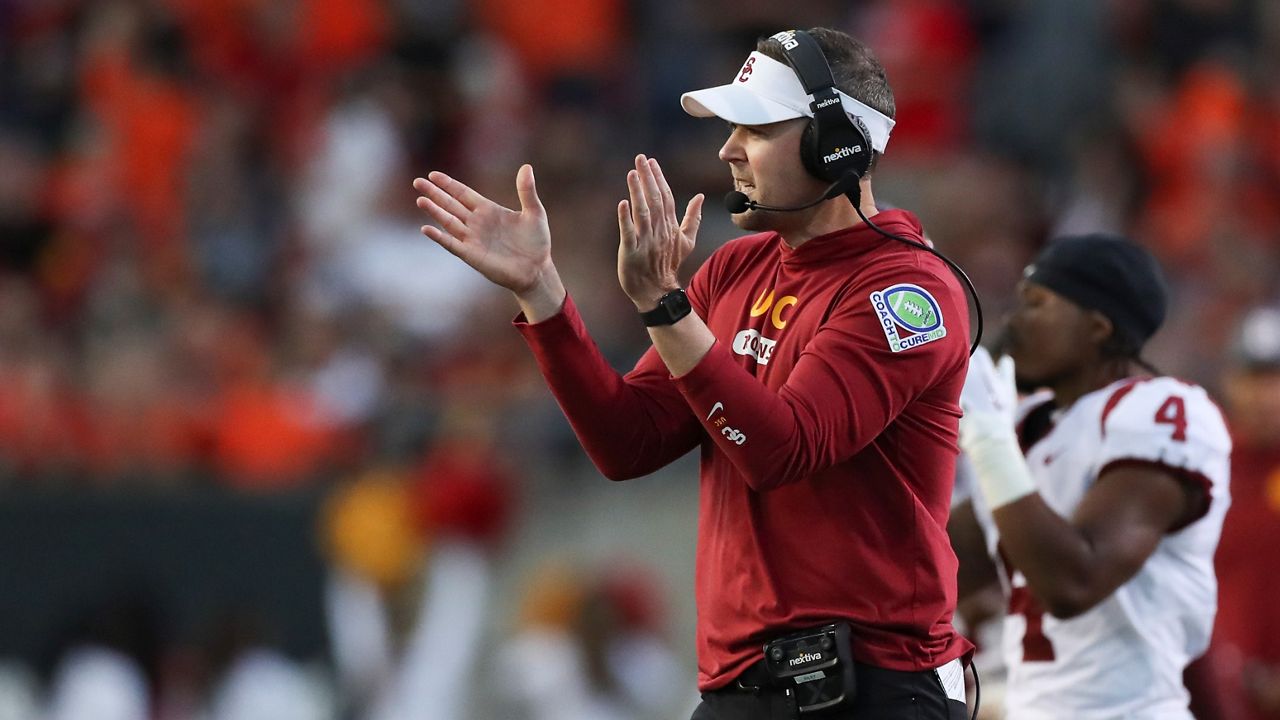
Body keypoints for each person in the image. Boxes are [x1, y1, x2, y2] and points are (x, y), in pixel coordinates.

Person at [414, 27, 972, 720]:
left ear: (838, 145)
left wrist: (663, 305)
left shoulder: (908, 295)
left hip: (874, 685)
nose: (728, 149)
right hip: (738, 684)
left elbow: (781, 450)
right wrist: (543, 295)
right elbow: (629, 442)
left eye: (756, 128)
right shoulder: (736, 268)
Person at [951, 234, 1232, 719]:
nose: (1013, 322)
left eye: (1036, 304)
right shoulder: (1026, 426)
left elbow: (1073, 583)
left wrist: (987, 436)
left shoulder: (1163, 409)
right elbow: (938, 567)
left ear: (1098, 326)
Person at [1192, 306, 1280, 720]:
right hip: (1218, 691)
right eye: (1254, 379)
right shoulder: (1205, 463)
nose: (1266, 396)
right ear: (1230, 381)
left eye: (1276, 381)